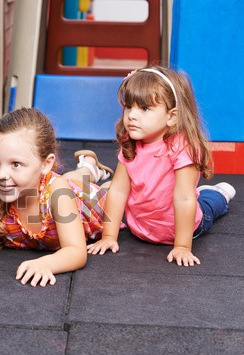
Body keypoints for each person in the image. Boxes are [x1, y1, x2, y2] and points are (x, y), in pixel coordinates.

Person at [0, 107, 113, 287]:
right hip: (46, 184)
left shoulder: (58, 190)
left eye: (16, 164)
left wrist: (46, 263)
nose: (2, 174)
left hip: (85, 201)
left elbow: (76, 251)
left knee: (103, 191)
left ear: (46, 164)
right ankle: (87, 167)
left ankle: (89, 168)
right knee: (66, 180)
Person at [87, 66, 236, 266]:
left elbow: (183, 197)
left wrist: (182, 246)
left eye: (145, 108)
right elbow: (118, 190)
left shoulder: (181, 147)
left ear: (171, 117)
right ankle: (203, 193)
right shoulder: (131, 142)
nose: (132, 115)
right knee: (190, 195)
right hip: (140, 228)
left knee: (209, 205)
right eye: (129, 106)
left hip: (184, 229)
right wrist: (109, 236)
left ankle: (218, 193)